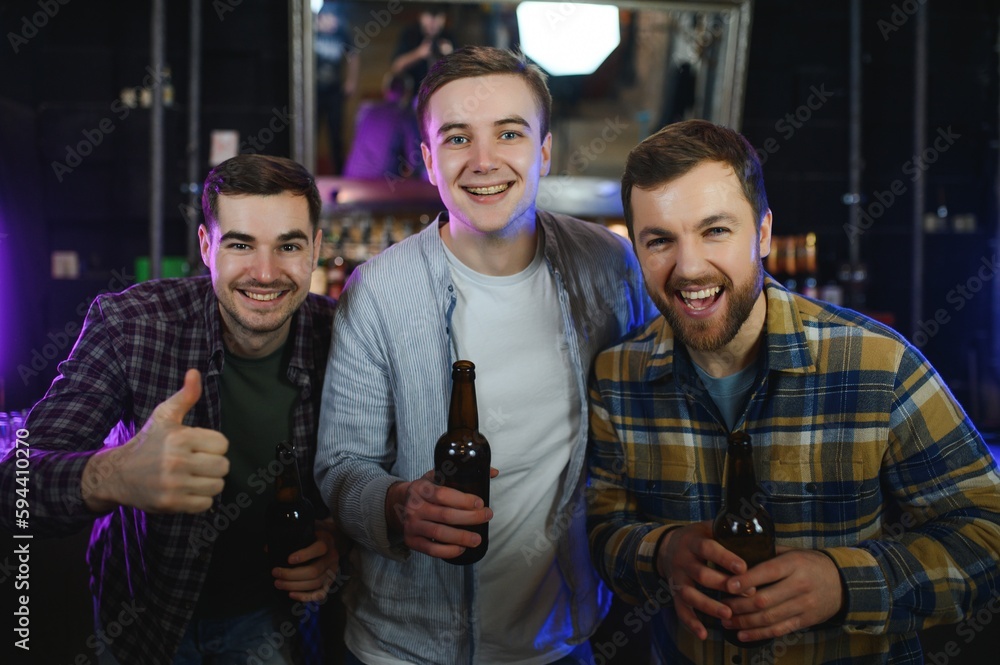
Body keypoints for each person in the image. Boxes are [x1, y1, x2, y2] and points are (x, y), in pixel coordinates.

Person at [586, 119, 1000, 664]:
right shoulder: (618, 376)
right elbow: (602, 527)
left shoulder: (879, 363)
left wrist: (843, 582)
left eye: (715, 231)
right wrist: (663, 552)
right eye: (660, 240)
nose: (688, 268)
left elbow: (987, 533)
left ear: (762, 233)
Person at [315, 46, 653, 664]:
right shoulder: (378, 292)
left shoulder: (610, 266)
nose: (484, 161)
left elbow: (660, 408)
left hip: (564, 642)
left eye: (509, 133)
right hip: (404, 647)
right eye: (457, 138)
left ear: (544, 151)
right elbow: (340, 466)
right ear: (428, 160)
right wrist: (395, 504)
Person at [0, 155, 341, 664]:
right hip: (141, 618)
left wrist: (339, 542)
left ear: (315, 249)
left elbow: (378, 476)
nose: (265, 273)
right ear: (206, 247)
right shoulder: (130, 323)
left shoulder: (342, 335)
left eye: (288, 245)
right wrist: (111, 473)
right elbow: (14, 489)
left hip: (274, 620)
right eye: (240, 244)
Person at [343, 73, 424, 181]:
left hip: (350, 180)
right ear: (407, 93)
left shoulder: (367, 112)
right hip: (381, 186)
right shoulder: (406, 116)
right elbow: (415, 163)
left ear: (385, 90)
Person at [315, 3, 360, 174]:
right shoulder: (311, 33)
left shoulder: (342, 33)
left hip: (334, 92)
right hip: (314, 93)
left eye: (335, 18)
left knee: (336, 134)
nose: (333, 22)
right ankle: (305, 170)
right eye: (330, 18)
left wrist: (351, 81)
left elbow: (353, 56)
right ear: (321, 17)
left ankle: (339, 173)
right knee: (312, 131)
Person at [390, 3, 455, 93]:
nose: (432, 25)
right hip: (413, 93)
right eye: (429, 20)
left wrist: (450, 56)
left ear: (443, 19)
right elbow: (396, 67)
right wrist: (418, 54)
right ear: (421, 17)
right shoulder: (410, 34)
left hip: (440, 92)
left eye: (437, 19)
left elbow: (459, 72)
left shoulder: (448, 36)